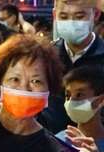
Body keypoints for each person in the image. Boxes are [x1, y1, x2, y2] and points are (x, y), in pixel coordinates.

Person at [40, 0, 104, 134]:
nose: (71, 23)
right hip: (50, 143)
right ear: (54, 15)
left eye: (79, 16)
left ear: (96, 14)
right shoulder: (46, 56)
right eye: (63, 17)